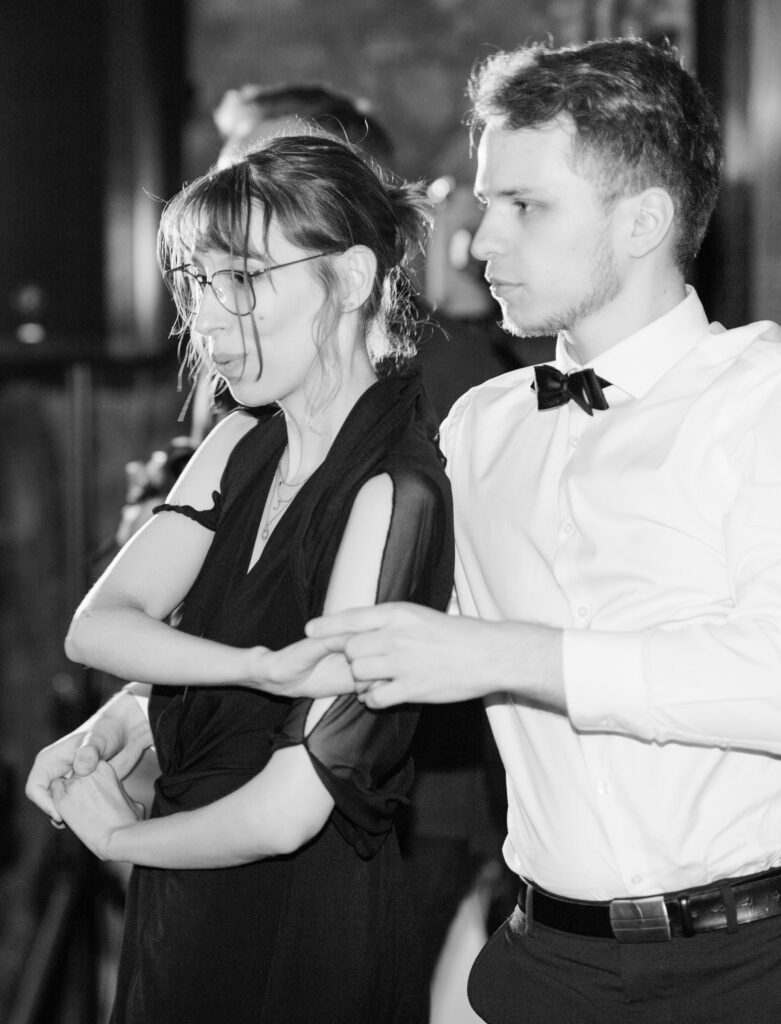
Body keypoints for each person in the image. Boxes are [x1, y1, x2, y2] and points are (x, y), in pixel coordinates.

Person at [294, 38, 781, 1024]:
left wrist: (498, 653)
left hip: (767, 967)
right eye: (485, 204)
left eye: (523, 207)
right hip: (549, 964)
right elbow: (376, 626)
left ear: (641, 220)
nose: (477, 244)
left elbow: (779, 683)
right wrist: (149, 707)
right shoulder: (480, 425)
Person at [26, 132, 453, 1024]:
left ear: (352, 277)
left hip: (297, 926)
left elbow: (290, 811)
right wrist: (243, 669)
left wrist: (120, 837)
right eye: (196, 282)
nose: (208, 319)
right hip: (186, 900)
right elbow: (97, 626)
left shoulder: (392, 490)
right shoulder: (236, 443)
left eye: (244, 280)